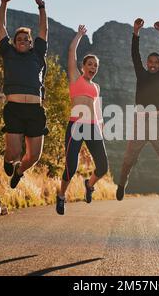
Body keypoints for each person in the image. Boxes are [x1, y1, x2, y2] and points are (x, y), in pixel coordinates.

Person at [116, 18, 159, 201]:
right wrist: (136, 32)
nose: (153, 64)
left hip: (157, 121)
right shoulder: (141, 74)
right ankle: (121, 184)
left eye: (156, 62)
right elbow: (134, 54)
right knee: (129, 158)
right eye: (150, 62)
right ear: (146, 63)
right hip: (139, 121)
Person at [0, 0, 49, 189]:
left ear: (30, 43)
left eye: (26, 39)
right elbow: (0, 27)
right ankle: (9, 160)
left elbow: (43, 31)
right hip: (15, 109)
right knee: (12, 152)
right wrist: (3, 4)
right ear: (14, 42)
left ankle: (19, 171)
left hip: (35, 111)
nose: (22, 41)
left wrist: (42, 8)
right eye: (19, 39)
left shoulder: (38, 54)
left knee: (34, 156)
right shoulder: (8, 53)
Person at [56, 25, 109, 215]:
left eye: (95, 66)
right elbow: (71, 52)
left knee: (103, 166)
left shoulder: (96, 87)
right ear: (82, 67)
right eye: (90, 64)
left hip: (93, 128)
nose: (93, 68)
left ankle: (89, 184)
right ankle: (61, 196)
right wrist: (79, 35)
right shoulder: (75, 78)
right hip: (76, 127)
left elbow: (97, 109)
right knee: (71, 167)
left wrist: (101, 128)